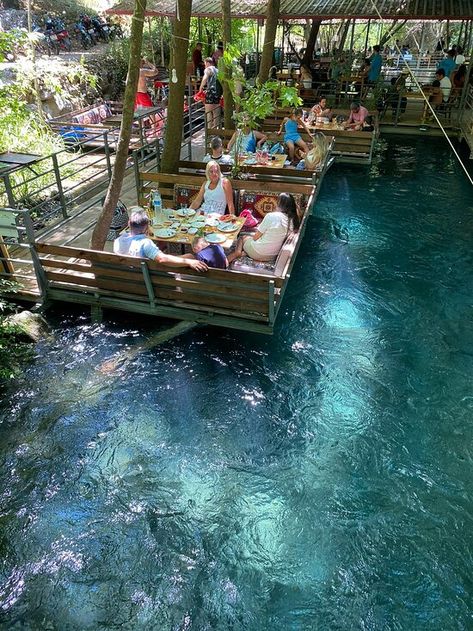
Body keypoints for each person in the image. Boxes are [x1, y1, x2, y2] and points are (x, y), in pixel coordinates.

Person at [113, 209, 207, 271]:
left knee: (186, 256)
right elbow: (162, 259)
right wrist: (190, 261)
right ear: (147, 228)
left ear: (129, 224)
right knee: (190, 257)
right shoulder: (145, 244)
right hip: (146, 282)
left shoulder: (118, 241)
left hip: (126, 278)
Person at [227, 193, 300, 264]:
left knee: (242, 237)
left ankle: (237, 253)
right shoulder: (293, 221)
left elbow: (255, 238)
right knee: (255, 244)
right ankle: (245, 253)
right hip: (272, 256)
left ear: (279, 203)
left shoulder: (271, 216)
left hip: (258, 252)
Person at [200, 57, 222, 129]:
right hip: (218, 93)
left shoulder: (208, 69)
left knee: (208, 112)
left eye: (205, 64)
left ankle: (209, 131)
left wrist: (201, 88)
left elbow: (205, 78)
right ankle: (216, 130)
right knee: (216, 113)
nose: (205, 66)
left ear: (208, 63)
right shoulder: (218, 70)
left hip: (211, 92)